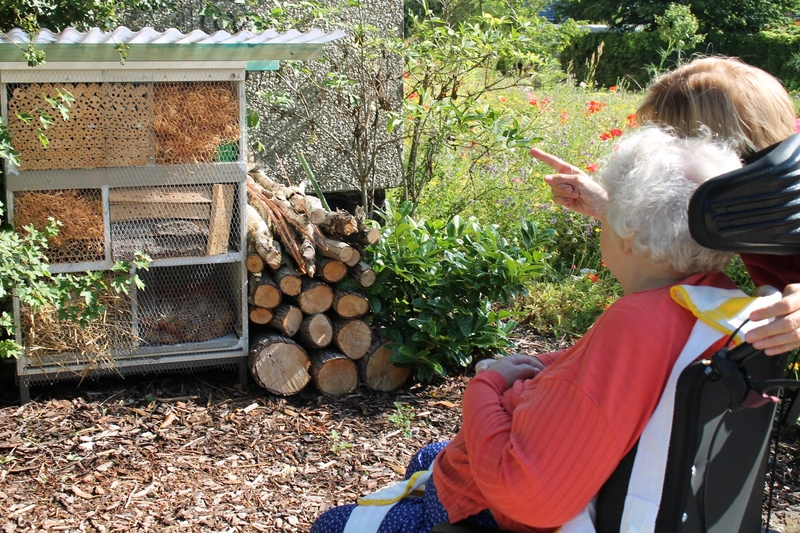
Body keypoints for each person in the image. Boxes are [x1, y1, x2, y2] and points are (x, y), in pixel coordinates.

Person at [311, 126, 748, 533]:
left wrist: (486, 384)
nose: (602, 214)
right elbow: (603, 375)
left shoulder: (634, 324)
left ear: (629, 234)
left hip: (497, 503)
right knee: (427, 456)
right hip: (564, 464)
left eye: (610, 205)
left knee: (332, 523)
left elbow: (530, 498)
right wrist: (537, 364)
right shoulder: (706, 297)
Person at [530, 56, 800, 356]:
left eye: (674, 145)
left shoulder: (761, 198)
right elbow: (687, 228)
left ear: (718, 149)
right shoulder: (758, 183)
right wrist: (612, 207)